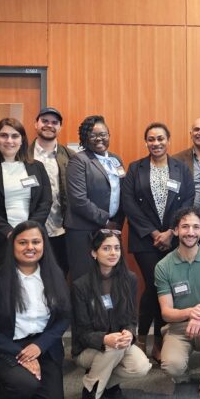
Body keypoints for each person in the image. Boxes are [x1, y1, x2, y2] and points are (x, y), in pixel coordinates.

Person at [0, 221, 71, 399]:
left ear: (44, 245)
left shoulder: (55, 275)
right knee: (25, 384)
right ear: (12, 246)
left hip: (42, 346)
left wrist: (39, 346)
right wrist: (22, 355)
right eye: (23, 242)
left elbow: (63, 318)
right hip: (5, 347)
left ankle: (21, 393)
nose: (30, 247)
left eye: (36, 242)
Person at [122, 122, 194, 363]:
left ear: (168, 140)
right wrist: (154, 233)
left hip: (173, 239)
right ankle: (143, 337)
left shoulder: (181, 169)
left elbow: (188, 201)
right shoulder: (136, 168)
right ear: (146, 142)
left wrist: (172, 232)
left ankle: (161, 342)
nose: (156, 143)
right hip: (146, 240)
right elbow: (129, 204)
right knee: (156, 286)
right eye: (151, 139)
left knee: (168, 288)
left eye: (160, 138)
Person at [71, 230, 151, 399]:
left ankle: (101, 380)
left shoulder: (129, 279)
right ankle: (91, 392)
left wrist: (129, 333)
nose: (113, 253)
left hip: (118, 344)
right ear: (94, 253)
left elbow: (131, 318)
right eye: (106, 248)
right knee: (114, 347)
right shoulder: (80, 286)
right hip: (88, 348)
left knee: (141, 367)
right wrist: (105, 339)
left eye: (116, 248)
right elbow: (82, 332)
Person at [156, 207, 200, 397]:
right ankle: (182, 367)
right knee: (172, 368)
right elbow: (166, 312)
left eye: (196, 227)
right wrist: (191, 312)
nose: (191, 232)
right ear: (176, 230)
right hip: (178, 326)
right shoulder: (163, 266)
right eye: (185, 226)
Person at [0, 117, 52, 273]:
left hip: (30, 243)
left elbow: (45, 202)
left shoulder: (37, 167)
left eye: (15, 136)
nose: (9, 140)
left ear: (22, 140)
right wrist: (8, 232)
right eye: (4, 135)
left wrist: (28, 231)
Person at [65, 115, 125, 280]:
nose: (99, 139)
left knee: (108, 280)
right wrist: (106, 221)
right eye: (93, 135)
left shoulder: (115, 159)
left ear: (109, 135)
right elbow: (78, 200)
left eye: (103, 134)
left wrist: (117, 222)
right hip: (83, 231)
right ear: (85, 138)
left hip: (110, 229)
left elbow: (121, 193)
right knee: (84, 280)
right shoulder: (78, 161)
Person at [28, 107, 76, 276]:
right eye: (45, 121)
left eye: (54, 122)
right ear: (36, 124)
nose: (49, 125)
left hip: (61, 231)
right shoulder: (22, 155)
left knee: (59, 278)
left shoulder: (71, 157)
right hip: (30, 230)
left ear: (60, 127)